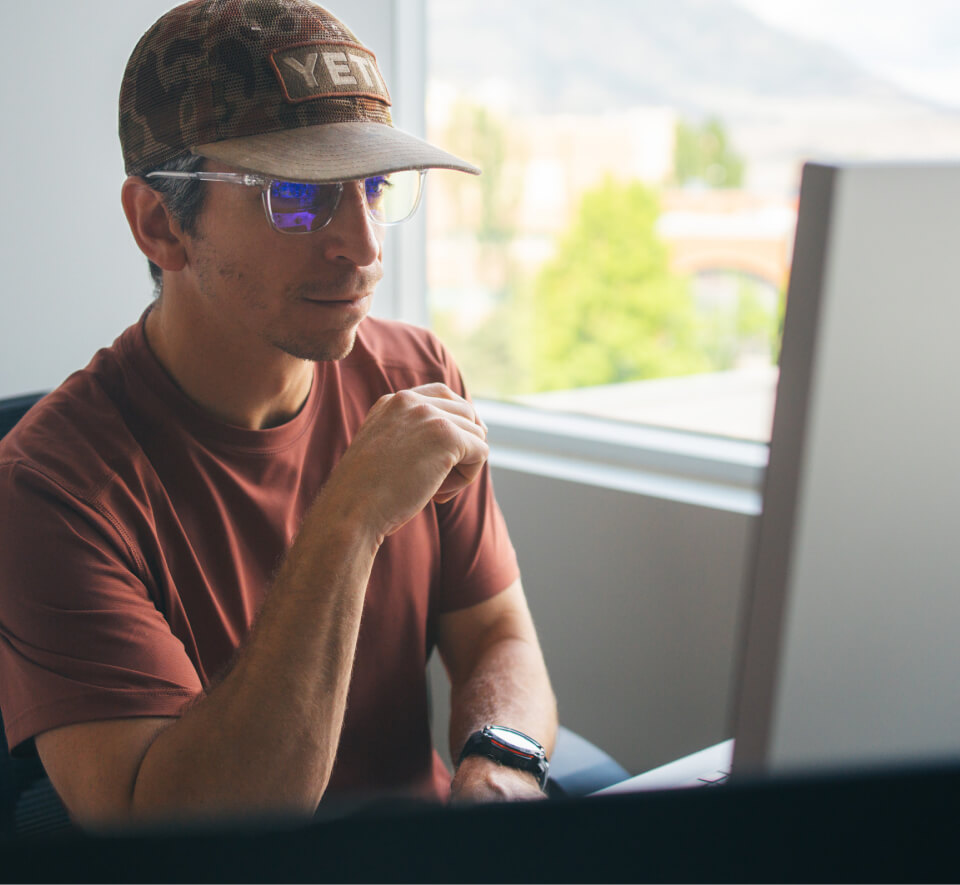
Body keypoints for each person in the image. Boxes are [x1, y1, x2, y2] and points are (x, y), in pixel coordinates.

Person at [0, 0, 556, 826]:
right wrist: (350, 518)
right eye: (296, 196)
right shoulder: (49, 488)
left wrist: (502, 760)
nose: (363, 247)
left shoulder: (413, 374)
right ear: (161, 225)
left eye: (373, 187)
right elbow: (179, 840)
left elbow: (498, 633)